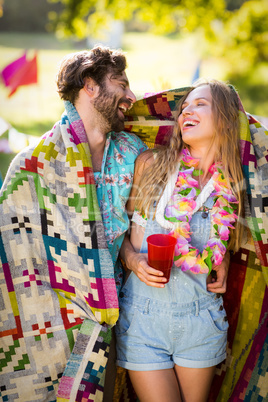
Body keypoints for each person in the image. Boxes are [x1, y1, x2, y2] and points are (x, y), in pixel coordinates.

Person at [0, 45, 147, 402]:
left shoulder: (132, 153)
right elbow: (12, 254)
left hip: (108, 318)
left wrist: (129, 256)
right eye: (121, 83)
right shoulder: (32, 165)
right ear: (90, 85)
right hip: (45, 320)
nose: (130, 96)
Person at [116, 79, 245, 402]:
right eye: (184, 106)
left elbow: (232, 241)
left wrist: (222, 258)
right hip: (143, 319)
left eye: (200, 104)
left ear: (227, 119)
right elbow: (116, 232)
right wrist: (133, 260)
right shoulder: (151, 164)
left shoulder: (234, 184)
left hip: (201, 321)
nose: (186, 110)